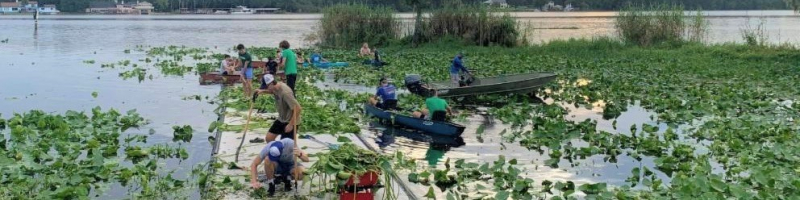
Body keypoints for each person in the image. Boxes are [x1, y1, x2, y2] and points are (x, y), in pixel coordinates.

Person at [253, 74, 302, 142]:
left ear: (272, 83)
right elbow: (272, 91)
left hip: (291, 121)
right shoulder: (275, 88)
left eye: (267, 87)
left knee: (285, 145)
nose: (267, 88)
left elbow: (298, 108)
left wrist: (290, 124)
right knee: (269, 138)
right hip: (281, 119)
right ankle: (276, 150)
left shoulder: (285, 93)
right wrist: (262, 91)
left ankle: (296, 151)